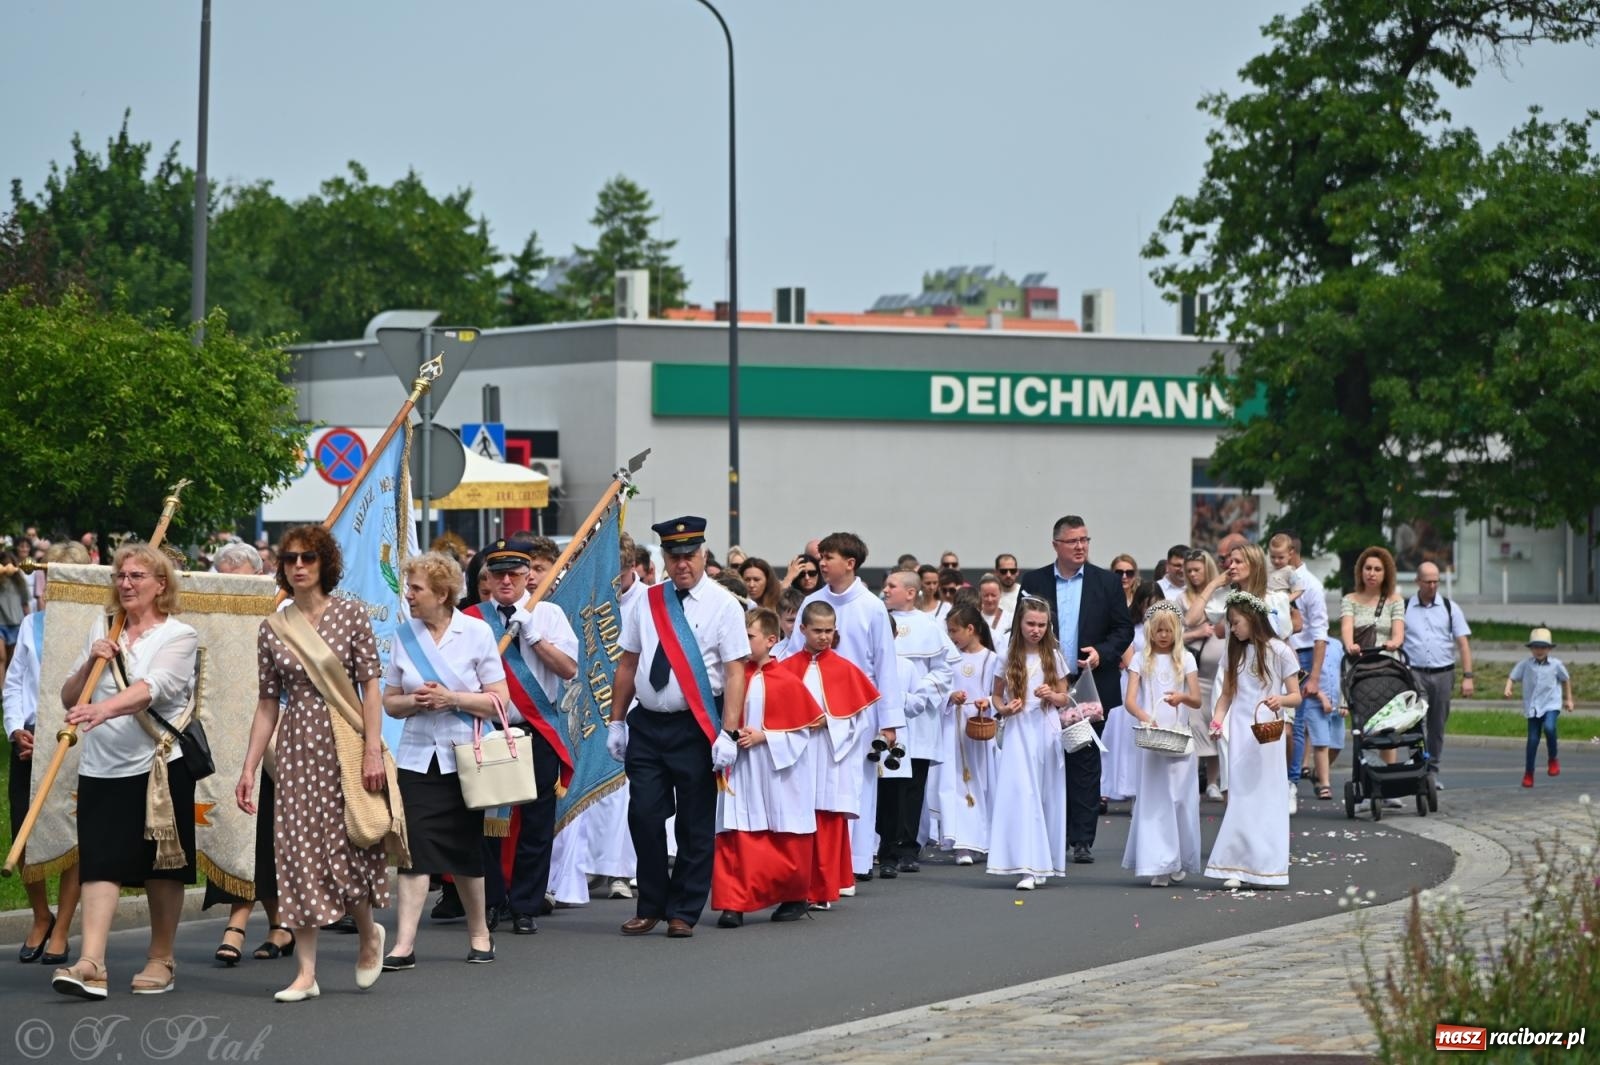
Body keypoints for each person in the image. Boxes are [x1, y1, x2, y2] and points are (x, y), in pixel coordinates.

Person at [236, 526, 391, 1001]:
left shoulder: (351, 615)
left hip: (344, 742)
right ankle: (306, 974)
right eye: (289, 559)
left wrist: (371, 749)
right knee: (298, 855)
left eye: (308, 558)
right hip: (297, 749)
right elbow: (268, 704)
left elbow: (370, 688)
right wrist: (248, 768)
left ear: (325, 564)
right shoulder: (272, 627)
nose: (298, 566)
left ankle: (368, 933)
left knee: (348, 849)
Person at [51, 544, 199, 1000]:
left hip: (158, 765)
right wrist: (92, 665)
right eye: (120, 575)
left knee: (161, 866)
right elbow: (70, 696)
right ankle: (91, 963)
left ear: (161, 585)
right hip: (102, 766)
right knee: (100, 862)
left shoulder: (180, 635)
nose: (127, 584)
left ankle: (161, 958)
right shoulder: (103, 626)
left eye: (137, 576)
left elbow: (152, 690)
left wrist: (103, 710)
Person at [608, 516, 748, 937]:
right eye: (674, 556)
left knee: (694, 822)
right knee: (644, 816)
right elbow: (628, 662)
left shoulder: (724, 605)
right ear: (663, 559)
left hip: (696, 725)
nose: (682, 563)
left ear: (703, 555)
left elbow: (736, 671)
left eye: (690, 555)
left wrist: (729, 731)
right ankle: (651, 903)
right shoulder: (648, 602)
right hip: (648, 725)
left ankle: (684, 909)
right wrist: (616, 721)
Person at [382, 551, 511, 968]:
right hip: (418, 759)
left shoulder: (476, 632)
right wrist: (414, 702)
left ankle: (480, 934)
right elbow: (389, 702)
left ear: (441, 592)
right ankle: (404, 944)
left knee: (466, 850)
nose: (409, 595)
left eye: (416, 588)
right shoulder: (404, 635)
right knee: (414, 850)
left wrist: (452, 698)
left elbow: (499, 700)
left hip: (465, 756)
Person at [463, 539, 579, 935]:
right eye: (498, 573)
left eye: (514, 572)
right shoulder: (473, 618)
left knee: (536, 820)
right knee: (486, 821)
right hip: (489, 729)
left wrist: (533, 637)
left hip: (536, 728)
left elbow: (567, 669)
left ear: (529, 575)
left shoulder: (547, 614)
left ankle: (526, 904)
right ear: (488, 579)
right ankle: (493, 901)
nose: (507, 580)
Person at [781, 532, 903, 882]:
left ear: (850, 563)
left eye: (829, 557)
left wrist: (889, 722)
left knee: (856, 786)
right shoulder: (811, 602)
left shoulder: (872, 606)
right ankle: (819, 863)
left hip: (858, 710)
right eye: (822, 557)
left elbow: (885, 665)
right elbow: (791, 652)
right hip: (813, 710)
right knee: (815, 785)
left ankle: (855, 862)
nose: (821, 562)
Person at [1019, 516, 1133, 864]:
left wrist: (1102, 653)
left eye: (1085, 539)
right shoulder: (1035, 580)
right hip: (1044, 681)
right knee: (1047, 757)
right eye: (1073, 541)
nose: (1080, 546)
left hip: (1088, 685)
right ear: (1056, 545)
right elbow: (1020, 628)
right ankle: (1047, 829)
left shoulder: (1106, 583)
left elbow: (1123, 630)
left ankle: (1081, 838)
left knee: (1083, 758)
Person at [205, 539, 289, 967]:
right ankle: (280, 924)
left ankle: (237, 924)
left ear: (259, 579)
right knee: (239, 832)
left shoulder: (282, 619)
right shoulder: (211, 623)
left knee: (266, 835)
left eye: (241, 584)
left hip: (275, 739)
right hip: (226, 740)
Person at [713, 608, 823, 928]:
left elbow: (804, 729)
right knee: (735, 831)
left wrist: (766, 737)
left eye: (749, 636)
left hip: (776, 768)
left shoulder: (787, 680)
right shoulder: (731, 676)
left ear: (772, 640)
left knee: (783, 831)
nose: (741, 642)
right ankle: (733, 903)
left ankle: (792, 897)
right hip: (740, 769)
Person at [6, 540, 87, 968]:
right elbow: (16, 684)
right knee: (25, 827)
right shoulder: (32, 623)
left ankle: (63, 926)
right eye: (51, 577)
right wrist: (17, 729)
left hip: (77, 742)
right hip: (30, 744)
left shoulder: (98, 627)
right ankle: (41, 914)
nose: (55, 585)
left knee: (74, 837)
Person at [777, 601, 880, 907]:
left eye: (829, 631)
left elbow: (861, 720)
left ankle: (823, 889)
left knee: (828, 818)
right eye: (817, 631)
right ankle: (795, 887)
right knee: (796, 818)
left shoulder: (847, 670)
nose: (823, 637)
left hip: (831, 752)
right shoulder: (784, 669)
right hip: (797, 752)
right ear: (803, 629)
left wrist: (831, 721)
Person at [1204, 592, 1302, 890]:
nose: (1232, 629)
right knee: (1241, 795)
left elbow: (1296, 696)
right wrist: (1218, 720)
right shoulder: (1234, 652)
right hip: (1240, 731)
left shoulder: (1280, 652)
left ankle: (1266, 864)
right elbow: (1226, 695)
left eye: (1236, 623)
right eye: (1230, 624)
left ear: (1252, 619)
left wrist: (1280, 699)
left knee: (1267, 795)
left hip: (1267, 731)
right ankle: (1236, 863)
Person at [878, 571, 959, 878]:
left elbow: (943, 671)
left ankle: (909, 847)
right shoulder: (878, 618)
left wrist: (918, 693)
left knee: (914, 786)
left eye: (892, 586)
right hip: (886, 716)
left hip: (919, 715)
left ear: (910, 593)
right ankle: (885, 844)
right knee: (887, 782)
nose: (885, 590)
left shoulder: (929, 626)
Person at [986, 596, 1069, 890]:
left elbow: (1064, 697)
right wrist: (1004, 708)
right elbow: (996, 695)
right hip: (1018, 729)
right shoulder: (1006, 657)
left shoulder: (1054, 657)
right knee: (1022, 793)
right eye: (1031, 624)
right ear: (1019, 624)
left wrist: (1051, 695)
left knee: (1045, 793)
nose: (1036, 630)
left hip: (1045, 730)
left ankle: (1042, 861)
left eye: (1041, 625)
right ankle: (1026, 865)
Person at [1121, 601, 1201, 886]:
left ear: (1176, 631)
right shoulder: (1141, 659)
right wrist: (1145, 716)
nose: (1163, 636)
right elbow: (1130, 700)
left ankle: (1177, 857)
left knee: (1178, 799)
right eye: (1158, 631)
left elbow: (1196, 698)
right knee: (1156, 800)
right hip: (1153, 737)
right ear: (1150, 632)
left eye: (1168, 630)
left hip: (1178, 735)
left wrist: (1181, 698)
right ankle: (1159, 863)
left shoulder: (1187, 659)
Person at [937, 604, 1000, 866]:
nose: (951, 637)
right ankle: (962, 842)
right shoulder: (950, 658)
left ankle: (985, 839)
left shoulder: (992, 659)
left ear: (971, 629)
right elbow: (941, 688)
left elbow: (1000, 694)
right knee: (957, 784)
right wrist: (950, 697)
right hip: (955, 726)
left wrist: (987, 702)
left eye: (955, 631)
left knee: (983, 783)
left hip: (980, 726)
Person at [1402, 561, 1474, 785]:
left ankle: (1432, 771)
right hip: (1414, 673)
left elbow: (1463, 643)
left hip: (1444, 673)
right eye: (1428, 581)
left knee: (1437, 724)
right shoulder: (1404, 607)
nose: (1432, 586)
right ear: (1417, 581)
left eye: (1436, 581)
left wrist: (1468, 676)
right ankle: (1417, 767)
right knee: (1415, 722)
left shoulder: (1449, 607)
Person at [1272, 532, 1327, 809]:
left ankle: (1291, 781)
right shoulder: (1271, 579)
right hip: (1271, 649)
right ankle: (1271, 780)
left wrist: (1315, 675)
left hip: (1301, 654)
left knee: (1294, 722)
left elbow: (1319, 632)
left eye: (1280, 556)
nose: (1276, 561)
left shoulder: (1310, 585)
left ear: (1292, 553)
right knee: (1268, 717)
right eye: (1273, 557)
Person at [1104, 581, 1161, 804]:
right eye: (1148, 604)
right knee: (1129, 738)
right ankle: (1128, 786)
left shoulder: (1165, 629)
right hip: (1134, 684)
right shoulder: (1131, 627)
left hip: (1157, 684)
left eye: (1156, 605)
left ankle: (1149, 790)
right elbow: (1128, 660)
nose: (1151, 610)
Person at [1179, 549, 1226, 800]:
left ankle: (1213, 781)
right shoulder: (1182, 598)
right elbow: (1179, 630)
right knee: (1194, 725)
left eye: (1198, 569)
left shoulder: (1222, 597)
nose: (1193, 575)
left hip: (1218, 671)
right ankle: (1193, 778)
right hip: (1195, 672)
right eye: (1189, 571)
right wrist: (1197, 634)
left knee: (1216, 725)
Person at [1505, 627, 1572, 788]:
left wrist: (1568, 699)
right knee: (1533, 741)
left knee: (1549, 727)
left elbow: (1566, 679)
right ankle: (1529, 773)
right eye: (1536, 647)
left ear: (1549, 649)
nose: (1539, 650)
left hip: (1551, 704)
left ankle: (1553, 758)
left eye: (1543, 647)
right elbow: (1512, 676)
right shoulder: (1526, 665)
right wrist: (1508, 688)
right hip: (1533, 707)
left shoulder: (1556, 665)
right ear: (1531, 648)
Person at [977, 574, 1012, 645]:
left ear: (1000, 593)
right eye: (986, 595)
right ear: (980, 595)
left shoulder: (1010, 619)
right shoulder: (975, 618)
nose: (990, 599)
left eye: (993, 595)